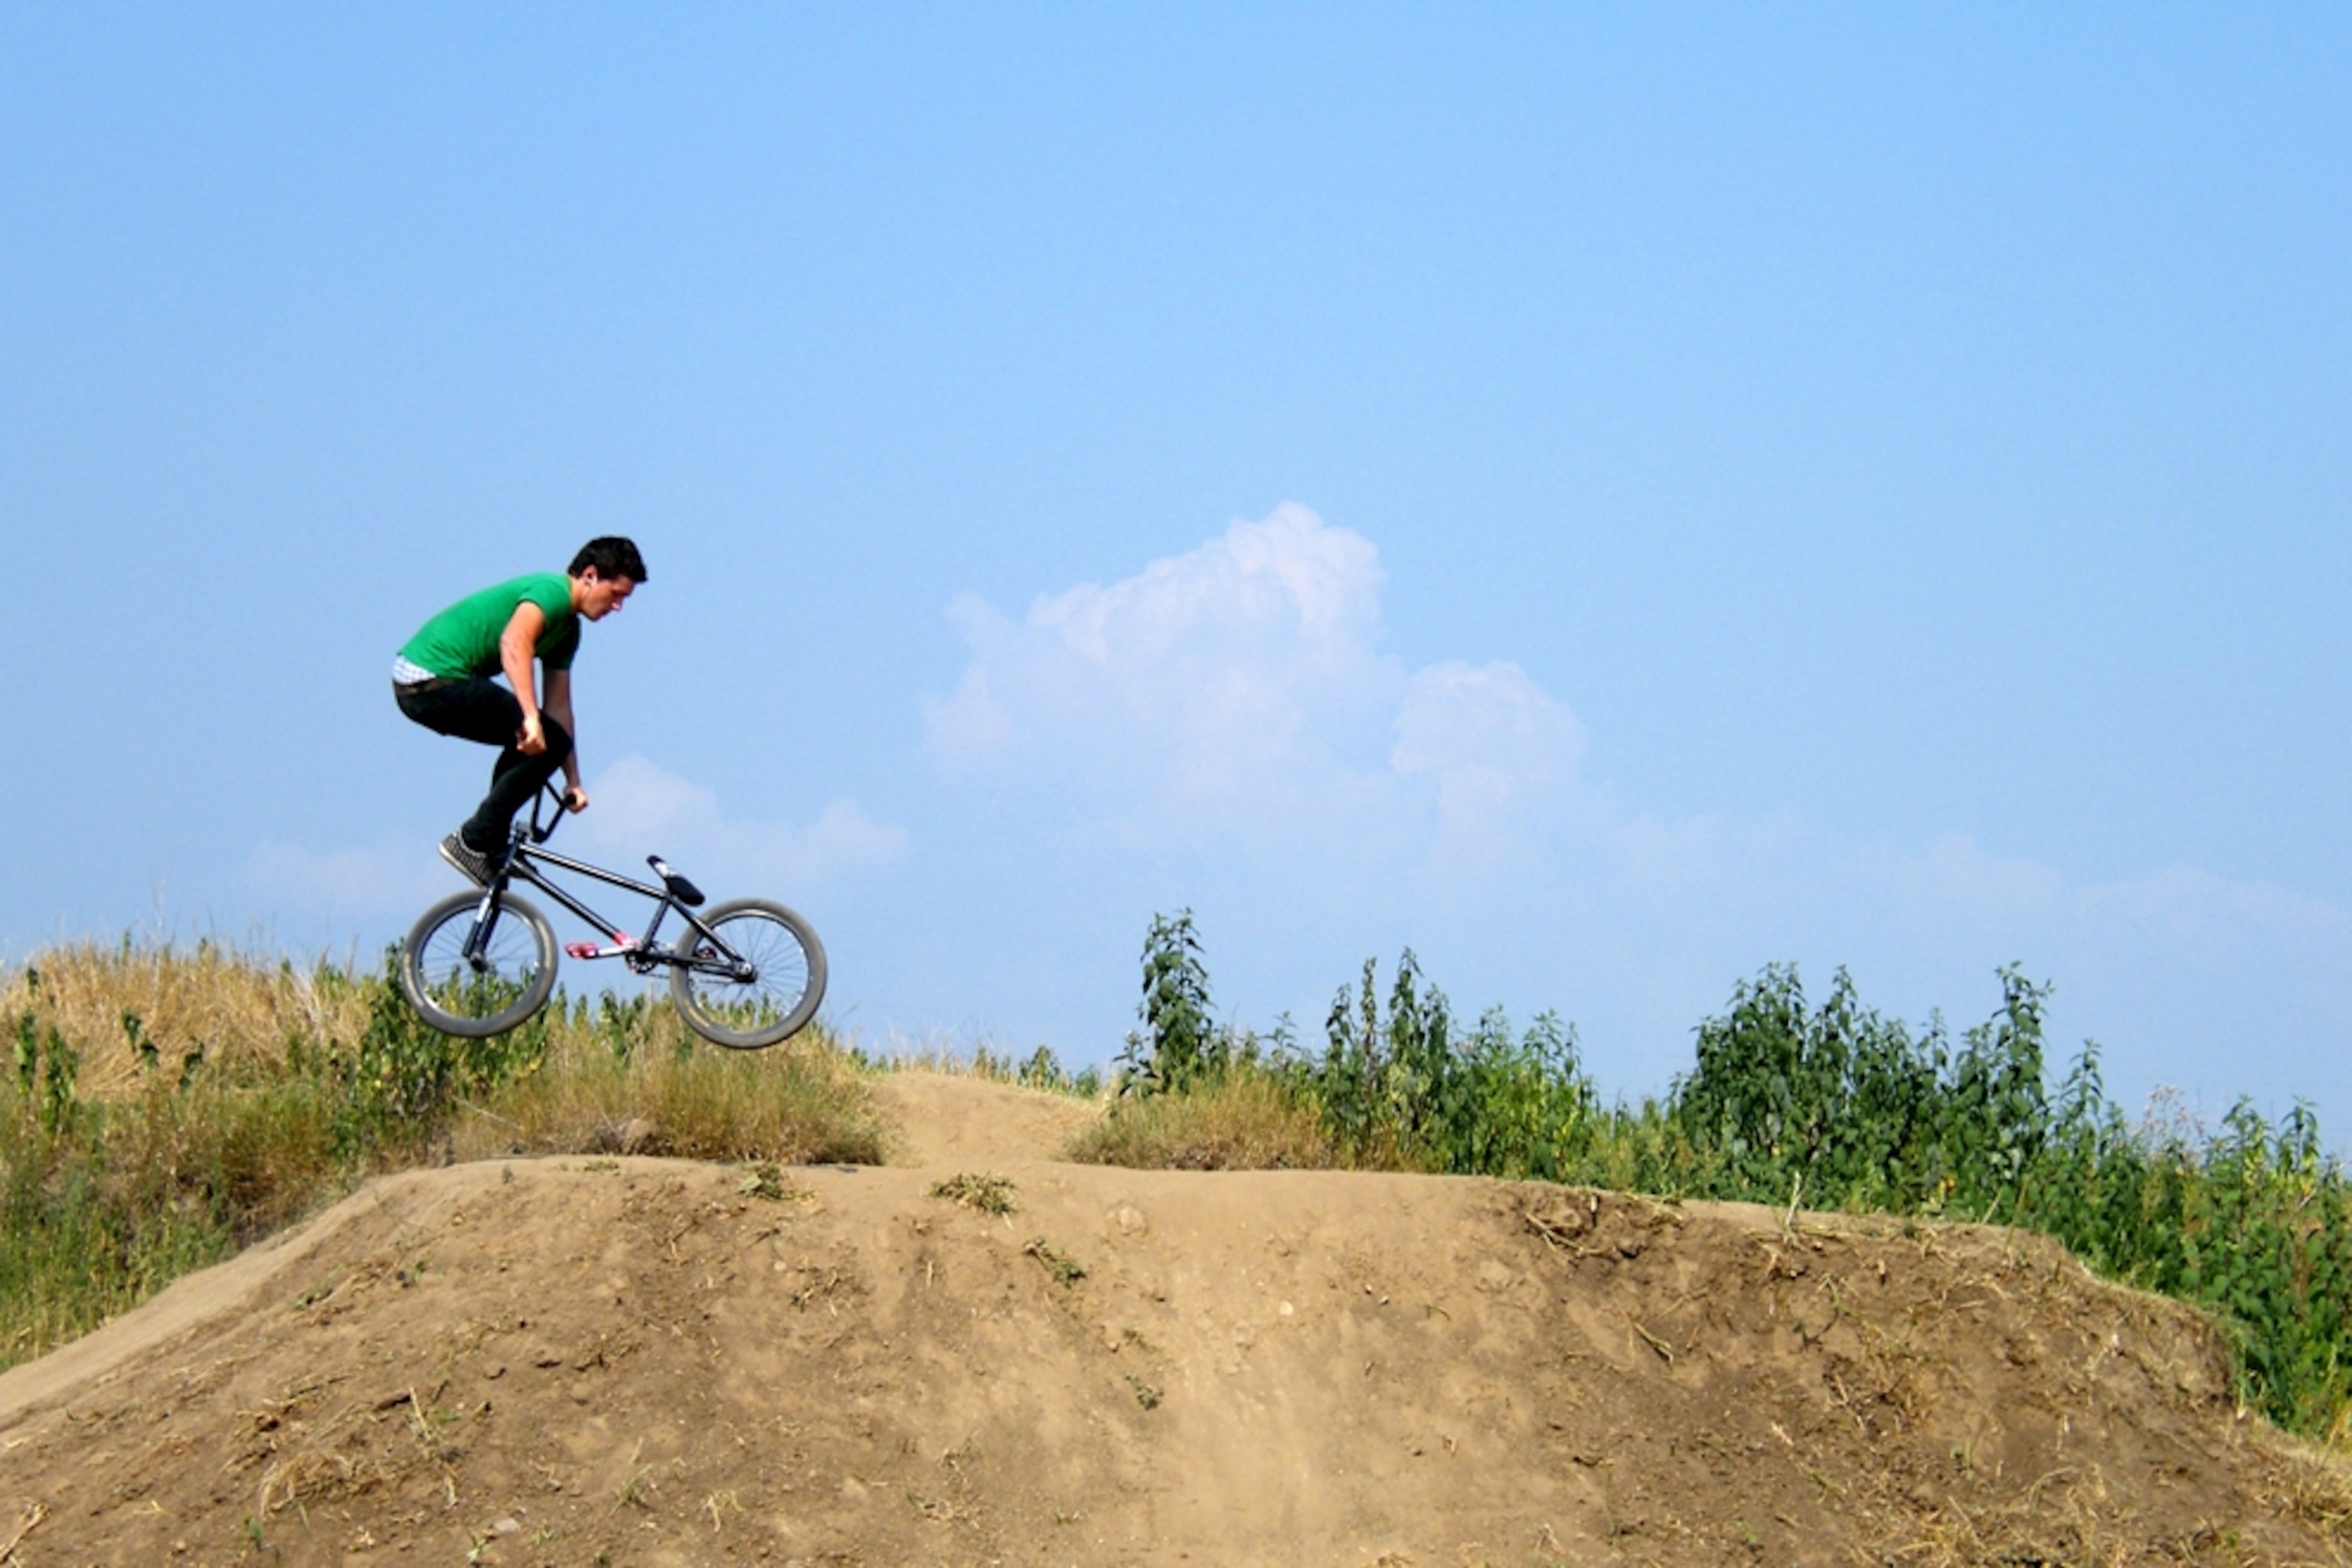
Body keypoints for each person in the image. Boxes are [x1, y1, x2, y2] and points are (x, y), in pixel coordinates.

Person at [392, 537, 645, 884]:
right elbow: (514, 642)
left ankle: (490, 845)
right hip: (429, 677)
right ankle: (475, 840)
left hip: (438, 685)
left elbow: (559, 707)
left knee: (543, 739)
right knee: (537, 733)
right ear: (589, 575)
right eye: (616, 594)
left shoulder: (568, 631)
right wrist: (529, 716)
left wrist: (573, 779)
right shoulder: (551, 592)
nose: (618, 607)